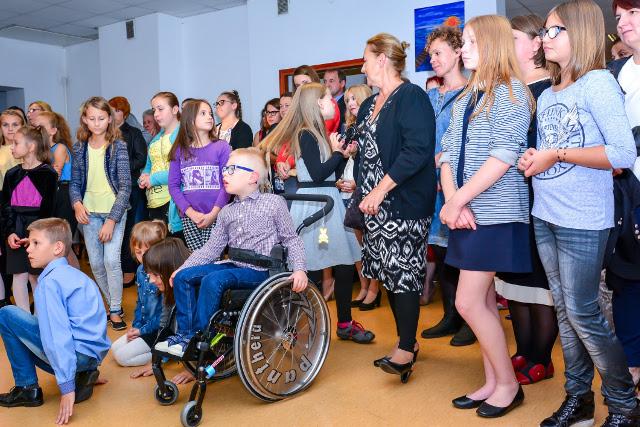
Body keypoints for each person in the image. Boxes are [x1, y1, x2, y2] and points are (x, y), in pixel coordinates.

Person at [518, 1, 639, 425]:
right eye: (545, 32)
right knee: (566, 313)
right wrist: (536, 157)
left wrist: (556, 154)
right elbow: (553, 148)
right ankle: (579, 398)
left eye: (555, 31)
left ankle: (624, 405)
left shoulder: (598, 83)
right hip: (546, 213)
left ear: (581, 33)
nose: (545, 39)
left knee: (584, 313)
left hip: (583, 218)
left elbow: (622, 153)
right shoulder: (552, 92)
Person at [439, 15, 534, 417]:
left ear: (494, 44)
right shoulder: (465, 97)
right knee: (482, 302)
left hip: (495, 214)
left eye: (471, 41)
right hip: (465, 211)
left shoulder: (512, 92)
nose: (464, 49)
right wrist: (452, 201)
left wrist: (457, 201)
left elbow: (503, 156)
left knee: (467, 303)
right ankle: (493, 380)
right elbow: (446, 154)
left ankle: (509, 386)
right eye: (464, 42)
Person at [154, 148, 308, 356]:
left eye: (231, 169)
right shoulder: (227, 211)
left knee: (214, 280)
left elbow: (291, 239)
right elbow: (211, 248)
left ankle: (200, 337)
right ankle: (185, 335)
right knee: (183, 277)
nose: (224, 174)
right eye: (225, 169)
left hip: (261, 270)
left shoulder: (273, 203)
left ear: (252, 177)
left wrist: (299, 269)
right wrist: (183, 267)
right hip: (234, 264)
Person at [262, 82, 372, 341]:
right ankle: (294, 326)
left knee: (344, 264)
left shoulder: (319, 132)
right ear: (315, 104)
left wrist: (343, 154)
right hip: (313, 203)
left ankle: (344, 322)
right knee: (308, 267)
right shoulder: (306, 134)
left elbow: (328, 170)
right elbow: (319, 172)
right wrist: (338, 153)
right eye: (326, 99)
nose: (332, 103)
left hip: (328, 200)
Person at [356, 33, 436, 379]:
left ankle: (406, 346)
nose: (362, 67)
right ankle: (407, 341)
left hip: (402, 201)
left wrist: (380, 189)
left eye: (365, 60)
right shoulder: (369, 104)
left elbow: (417, 150)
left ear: (382, 59)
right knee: (388, 274)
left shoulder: (411, 97)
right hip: (375, 205)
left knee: (403, 273)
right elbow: (368, 149)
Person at [491, 14, 558, 387]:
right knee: (514, 278)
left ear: (536, 44)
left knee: (539, 279)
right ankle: (524, 350)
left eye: (514, 38)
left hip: (540, 197)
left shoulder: (551, 89)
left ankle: (542, 357)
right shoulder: (509, 90)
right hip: (510, 199)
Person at [0, 218, 110, 425]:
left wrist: (67, 388)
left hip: (76, 357)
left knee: (6, 314)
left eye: (36, 243)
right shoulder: (80, 276)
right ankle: (83, 374)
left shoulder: (49, 283)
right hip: (92, 357)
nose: (28, 249)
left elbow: (57, 337)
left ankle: (27, 388)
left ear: (57, 247)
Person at [419, 25, 475, 347]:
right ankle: (450, 314)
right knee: (441, 252)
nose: (434, 60)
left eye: (439, 53)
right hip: (432, 184)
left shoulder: (472, 94)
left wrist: (446, 163)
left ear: (457, 52)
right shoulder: (430, 96)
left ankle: (471, 320)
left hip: (459, 185)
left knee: (465, 253)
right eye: (431, 55)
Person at [70, 96, 131, 331]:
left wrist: (112, 220)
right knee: (95, 264)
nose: (97, 123)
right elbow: (75, 183)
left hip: (114, 213)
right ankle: (113, 303)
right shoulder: (79, 147)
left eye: (101, 118)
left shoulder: (118, 146)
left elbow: (125, 186)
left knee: (111, 261)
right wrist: (77, 204)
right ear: (85, 120)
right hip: (89, 213)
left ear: (109, 119)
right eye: (92, 118)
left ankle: (114, 310)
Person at [1, 125, 58, 312]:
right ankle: (24, 319)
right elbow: (6, 207)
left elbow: (49, 210)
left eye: (16, 143)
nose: (12, 147)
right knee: (19, 275)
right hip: (16, 232)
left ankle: (41, 318)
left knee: (36, 276)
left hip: (38, 233)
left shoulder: (48, 174)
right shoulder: (11, 174)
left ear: (31, 147)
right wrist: (10, 232)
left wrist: (35, 236)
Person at [112, 223, 185, 368]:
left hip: (159, 330)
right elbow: (140, 303)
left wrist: (142, 331)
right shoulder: (140, 271)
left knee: (121, 357)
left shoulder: (163, 273)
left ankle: (162, 356)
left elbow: (165, 317)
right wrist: (136, 327)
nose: (143, 257)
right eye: (138, 252)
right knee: (115, 348)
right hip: (145, 327)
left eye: (147, 252)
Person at [168, 99, 231, 252]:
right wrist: (191, 213)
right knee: (196, 258)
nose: (210, 117)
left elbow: (227, 184)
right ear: (190, 120)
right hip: (190, 217)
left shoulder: (222, 147)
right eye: (203, 113)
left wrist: (213, 214)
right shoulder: (179, 150)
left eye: (210, 113)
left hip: (216, 214)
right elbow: (173, 186)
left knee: (212, 257)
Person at [338, 84, 379, 310]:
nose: (351, 103)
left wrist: (360, 184)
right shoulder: (351, 128)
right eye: (347, 100)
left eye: (354, 98)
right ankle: (365, 286)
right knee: (361, 244)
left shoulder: (373, 124)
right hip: (352, 189)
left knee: (372, 242)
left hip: (369, 189)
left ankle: (374, 289)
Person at [32, 112, 80, 269]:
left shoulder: (59, 148)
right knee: (56, 244)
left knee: (63, 244)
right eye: (34, 127)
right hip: (52, 194)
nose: (37, 130)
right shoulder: (41, 150)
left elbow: (55, 174)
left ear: (53, 130)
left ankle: (75, 278)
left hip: (63, 193)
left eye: (41, 127)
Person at [109, 97, 148, 288]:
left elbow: (141, 158)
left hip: (131, 187)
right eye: (110, 110)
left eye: (116, 110)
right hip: (110, 188)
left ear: (124, 114)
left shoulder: (133, 133)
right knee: (114, 230)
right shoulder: (105, 134)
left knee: (130, 229)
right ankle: (116, 268)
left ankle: (130, 268)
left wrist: (120, 167)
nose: (112, 113)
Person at [139, 92, 183, 239]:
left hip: (172, 201)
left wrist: (153, 179)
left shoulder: (183, 136)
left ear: (175, 109)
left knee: (173, 248)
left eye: (160, 109)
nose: (156, 114)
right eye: (154, 110)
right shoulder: (155, 139)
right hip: (154, 201)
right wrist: (144, 177)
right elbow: (149, 166)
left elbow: (182, 171)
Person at [0, 109, 25, 190]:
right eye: (5, 125)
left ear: (22, 126)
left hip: (25, 194)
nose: (10, 129)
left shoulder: (30, 148)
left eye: (15, 125)